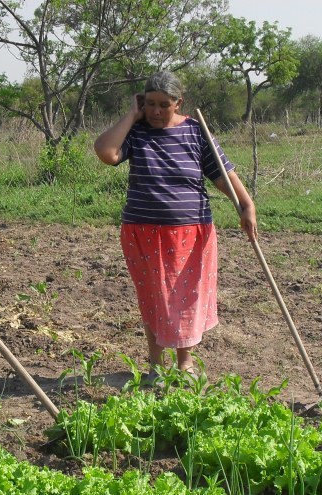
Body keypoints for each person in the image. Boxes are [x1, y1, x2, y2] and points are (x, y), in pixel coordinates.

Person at [93, 71, 257, 376]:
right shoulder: (136, 131)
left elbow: (222, 174)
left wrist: (246, 205)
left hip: (191, 232)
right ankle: (156, 366)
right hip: (143, 230)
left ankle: (185, 364)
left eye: (164, 105)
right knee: (153, 296)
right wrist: (132, 115)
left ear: (178, 103)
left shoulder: (196, 132)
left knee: (186, 296)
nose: (156, 111)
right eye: (150, 104)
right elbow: (107, 152)